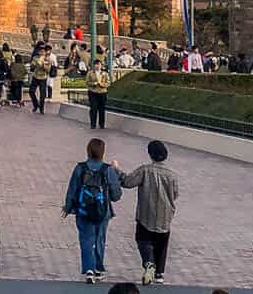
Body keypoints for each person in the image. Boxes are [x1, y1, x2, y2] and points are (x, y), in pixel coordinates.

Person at [62, 136, 123, 284]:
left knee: (86, 239)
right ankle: (98, 268)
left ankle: (88, 269)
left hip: (83, 210)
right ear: (102, 152)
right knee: (99, 239)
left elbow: (72, 189)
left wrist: (68, 207)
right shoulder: (108, 170)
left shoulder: (80, 168)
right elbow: (116, 195)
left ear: (88, 151)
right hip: (103, 211)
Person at [119, 139, 177, 286]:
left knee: (143, 239)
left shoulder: (145, 170)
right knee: (161, 244)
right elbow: (175, 194)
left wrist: (116, 170)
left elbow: (127, 182)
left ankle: (149, 262)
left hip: (146, 214)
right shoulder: (172, 175)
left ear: (150, 154)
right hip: (165, 215)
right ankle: (159, 273)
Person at [86, 59, 110, 129]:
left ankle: (101, 124)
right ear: (93, 65)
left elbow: (108, 83)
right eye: (96, 64)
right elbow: (87, 82)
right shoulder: (90, 73)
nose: (97, 66)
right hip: (93, 92)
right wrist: (94, 83)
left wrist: (101, 84)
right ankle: (93, 124)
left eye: (99, 64)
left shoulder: (105, 73)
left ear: (101, 65)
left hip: (102, 92)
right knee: (93, 108)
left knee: (102, 109)